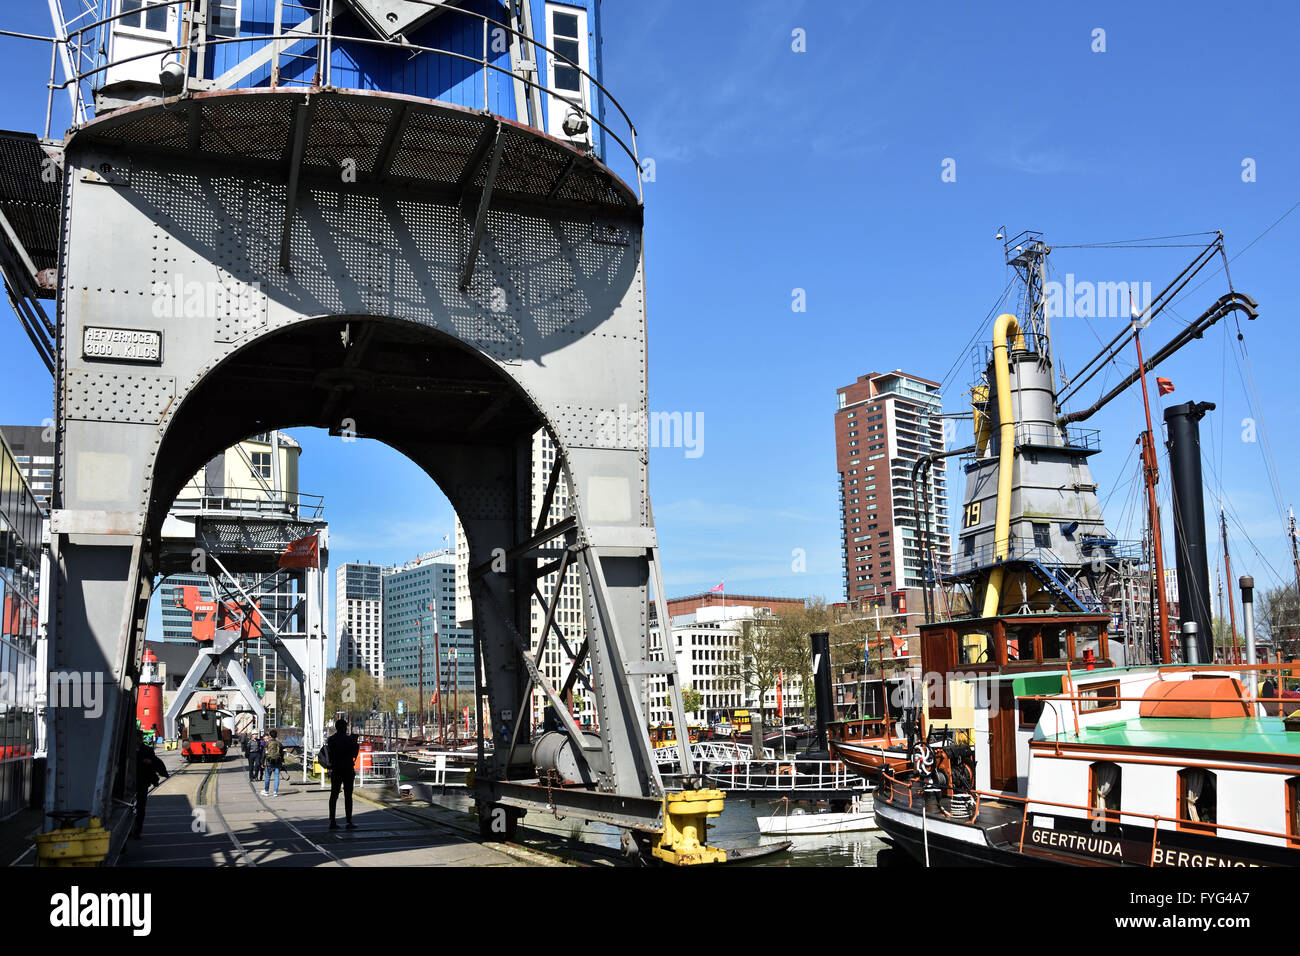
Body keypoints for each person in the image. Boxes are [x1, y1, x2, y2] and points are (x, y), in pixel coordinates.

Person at [133, 731, 170, 838]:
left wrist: (160, 772)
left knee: (141, 807)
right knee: (132, 806)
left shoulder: (147, 750)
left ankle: (137, 830)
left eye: (141, 737)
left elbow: (156, 762)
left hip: (142, 781)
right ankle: (132, 827)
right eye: (138, 737)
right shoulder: (127, 749)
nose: (140, 739)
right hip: (129, 782)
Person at [326, 719, 360, 830]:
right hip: (348, 769)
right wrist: (355, 742)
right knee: (348, 796)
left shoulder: (331, 740)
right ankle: (349, 820)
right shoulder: (349, 740)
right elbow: (354, 754)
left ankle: (332, 820)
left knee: (334, 795)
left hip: (336, 769)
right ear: (345, 727)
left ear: (336, 727)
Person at [262, 729, 285, 797]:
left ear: (270, 736)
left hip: (269, 762)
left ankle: (266, 791)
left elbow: (264, 753)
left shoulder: (267, 743)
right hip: (277, 762)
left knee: (267, 777)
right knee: (276, 777)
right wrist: (281, 761)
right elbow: (282, 753)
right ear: (276, 735)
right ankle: (275, 792)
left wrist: (262, 762)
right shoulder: (279, 743)